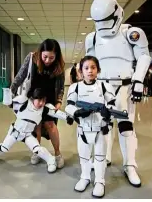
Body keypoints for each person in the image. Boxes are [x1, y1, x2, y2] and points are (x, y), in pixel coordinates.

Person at [84, 0, 152, 187]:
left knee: (126, 127)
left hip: (125, 86)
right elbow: (90, 63)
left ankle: (130, 164)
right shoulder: (93, 37)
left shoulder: (131, 33)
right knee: (103, 126)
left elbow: (143, 57)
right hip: (102, 86)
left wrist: (138, 81)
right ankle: (103, 158)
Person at [0, 88, 73, 173]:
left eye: (43, 100)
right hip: (16, 132)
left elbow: (55, 113)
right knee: (4, 148)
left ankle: (51, 160)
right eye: (39, 100)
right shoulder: (24, 102)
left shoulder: (44, 108)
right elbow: (9, 103)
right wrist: (7, 92)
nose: (41, 103)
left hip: (28, 135)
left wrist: (67, 118)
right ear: (33, 98)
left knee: (37, 149)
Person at [65, 56, 117, 198]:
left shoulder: (105, 86)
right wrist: (77, 112)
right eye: (86, 68)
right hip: (83, 129)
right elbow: (68, 106)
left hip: (100, 128)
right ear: (81, 71)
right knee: (84, 156)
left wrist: (108, 113)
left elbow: (113, 105)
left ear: (98, 70)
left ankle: (100, 181)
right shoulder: (75, 87)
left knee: (100, 157)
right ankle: (85, 177)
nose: (90, 71)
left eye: (93, 67)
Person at [10, 39, 66, 169]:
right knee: (36, 126)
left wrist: (59, 101)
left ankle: (57, 154)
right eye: (45, 57)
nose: (47, 60)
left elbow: (61, 85)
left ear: (56, 56)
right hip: (33, 98)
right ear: (40, 52)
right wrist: (10, 94)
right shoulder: (32, 58)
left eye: (51, 57)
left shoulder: (59, 64)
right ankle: (37, 152)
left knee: (50, 125)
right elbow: (20, 77)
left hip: (49, 99)